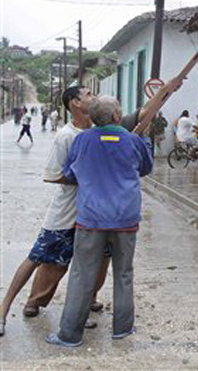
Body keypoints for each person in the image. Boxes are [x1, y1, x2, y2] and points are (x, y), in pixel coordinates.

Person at [46, 96, 154, 347]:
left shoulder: (82, 140)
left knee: (82, 274)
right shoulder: (134, 141)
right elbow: (146, 168)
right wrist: (146, 138)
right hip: (125, 218)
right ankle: (122, 329)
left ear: (93, 118)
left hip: (91, 218)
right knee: (124, 273)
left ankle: (69, 335)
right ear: (117, 116)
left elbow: (70, 173)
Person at [1, 87, 108, 337]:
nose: (94, 97)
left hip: (90, 215)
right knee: (37, 258)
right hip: (64, 214)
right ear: (75, 103)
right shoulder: (66, 136)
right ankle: (3, 310)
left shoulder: (95, 132)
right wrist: (87, 180)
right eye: (88, 94)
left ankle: (77, 313)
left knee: (87, 265)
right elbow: (52, 175)